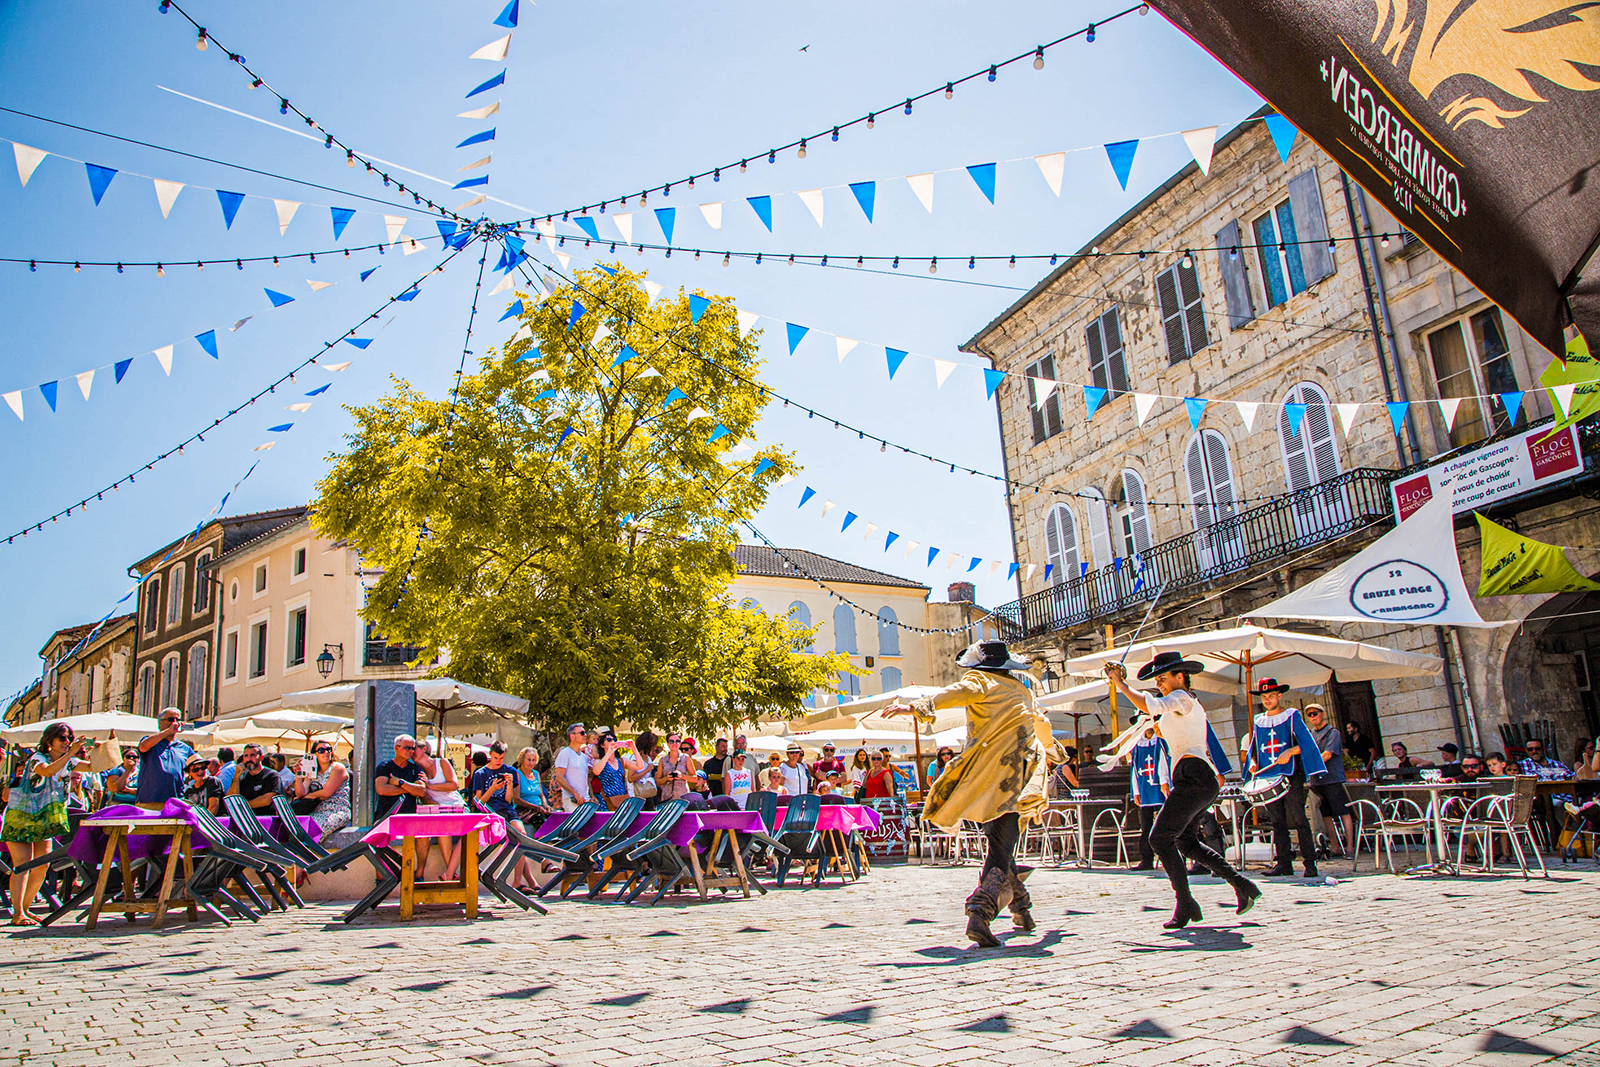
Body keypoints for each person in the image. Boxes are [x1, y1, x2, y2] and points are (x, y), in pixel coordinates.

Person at [885, 640, 1057, 947]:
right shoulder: (1022, 691)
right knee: (1002, 845)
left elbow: (957, 693)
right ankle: (997, 910)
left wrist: (918, 706)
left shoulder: (980, 680)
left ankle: (991, 909)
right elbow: (1040, 724)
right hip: (1018, 775)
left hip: (990, 777)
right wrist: (1056, 753)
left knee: (1001, 844)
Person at [1105, 653, 1259, 928]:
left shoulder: (1182, 698)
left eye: (1162, 678)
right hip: (1195, 778)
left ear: (1180, 676)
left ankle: (1185, 903)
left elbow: (1149, 704)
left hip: (1195, 776)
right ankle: (1242, 884)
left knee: (1159, 838)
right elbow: (1161, 726)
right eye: (1158, 680)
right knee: (1185, 842)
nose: (1160, 684)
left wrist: (1120, 683)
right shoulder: (1181, 706)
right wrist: (1148, 728)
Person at [3, 722, 93, 925]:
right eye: (62, 738)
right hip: (22, 817)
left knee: (42, 866)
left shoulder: (68, 762)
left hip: (44, 820)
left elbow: (95, 767)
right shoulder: (38, 758)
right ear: (49, 741)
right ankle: (17, 914)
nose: (67, 742)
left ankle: (24, 910)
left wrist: (105, 747)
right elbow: (47, 771)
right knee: (22, 866)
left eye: (69, 738)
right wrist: (71, 753)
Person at [1243, 680, 1326, 878]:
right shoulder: (1258, 720)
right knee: (1277, 821)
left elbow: (1307, 743)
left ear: (1279, 695)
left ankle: (1310, 863)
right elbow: (1254, 748)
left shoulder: (1291, 716)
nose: (1267, 700)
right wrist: (1253, 762)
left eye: (1271, 696)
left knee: (1299, 818)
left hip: (1290, 774)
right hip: (1268, 775)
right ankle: (1284, 864)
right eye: (1264, 697)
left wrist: (1290, 751)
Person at [1301, 704, 1355, 858]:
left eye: (1315, 713)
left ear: (1322, 714)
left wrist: (1310, 764)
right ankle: (1335, 846)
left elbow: (1328, 754)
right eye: (1310, 714)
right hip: (1317, 781)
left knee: (1343, 811)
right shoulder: (1310, 734)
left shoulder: (1333, 732)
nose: (1313, 717)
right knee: (1325, 813)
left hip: (1333, 778)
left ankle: (1350, 847)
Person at [1124, 722, 1170, 871]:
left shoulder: (1161, 739)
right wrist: (1135, 791)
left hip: (1161, 788)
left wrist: (1164, 781)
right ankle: (1146, 859)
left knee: (1167, 825)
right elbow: (1135, 768)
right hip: (1145, 789)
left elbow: (1164, 760)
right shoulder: (1138, 744)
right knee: (1145, 827)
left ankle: (1171, 858)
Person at [135, 707, 193, 808]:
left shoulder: (184, 748)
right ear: (160, 723)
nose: (175, 723)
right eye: (170, 720)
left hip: (175, 802)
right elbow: (143, 747)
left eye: (178, 720)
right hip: (150, 801)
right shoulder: (151, 741)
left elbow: (197, 764)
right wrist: (168, 731)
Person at [292, 741, 351, 835]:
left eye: (328, 749)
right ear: (314, 754)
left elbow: (326, 793)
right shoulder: (313, 770)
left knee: (314, 831)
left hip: (336, 810)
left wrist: (306, 796)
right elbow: (300, 793)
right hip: (316, 811)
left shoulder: (337, 767)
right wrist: (298, 775)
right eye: (321, 750)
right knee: (296, 831)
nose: (326, 752)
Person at [373, 735, 430, 821]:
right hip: (385, 816)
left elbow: (421, 791)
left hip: (409, 817)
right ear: (396, 748)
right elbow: (382, 790)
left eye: (412, 748)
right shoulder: (384, 766)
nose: (411, 751)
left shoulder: (415, 768)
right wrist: (411, 789)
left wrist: (401, 783)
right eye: (407, 748)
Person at [594, 733, 644, 810]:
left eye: (614, 740)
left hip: (622, 800)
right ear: (602, 745)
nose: (612, 741)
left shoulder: (621, 761)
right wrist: (608, 753)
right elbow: (596, 771)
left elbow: (640, 766)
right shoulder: (599, 761)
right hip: (606, 801)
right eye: (609, 740)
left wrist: (634, 749)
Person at [227, 744, 283, 811]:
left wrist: (242, 805)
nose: (249, 759)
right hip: (246, 817)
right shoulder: (242, 776)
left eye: (252, 755)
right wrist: (236, 777)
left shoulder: (271, 775)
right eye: (246, 756)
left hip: (265, 818)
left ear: (261, 757)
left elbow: (266, 800)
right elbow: (231, 799)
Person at [553, 723, 593, 811]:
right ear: (572, 736)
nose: (585, 735)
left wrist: (591, 796)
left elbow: (585, 779)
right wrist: (575, 793)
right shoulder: (565, 753)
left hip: (585, 800)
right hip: (571, 800)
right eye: (582, 733)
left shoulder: (584, 757)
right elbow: (559, 777)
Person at [654, 732, 696, 805]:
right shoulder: (663, 760)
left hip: (682, 796)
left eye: (677, 741)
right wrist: (666, 778)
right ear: (667, 743)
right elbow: (657, 782)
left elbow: (695, 778)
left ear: (680, 743)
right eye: (671, 741)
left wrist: (682, 776)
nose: (674, 743)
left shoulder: (685, 758)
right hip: (667, 797)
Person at [512, 747, 551, 819]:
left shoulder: (536, 774)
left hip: (539, 807)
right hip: (525, 809)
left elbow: (541, 795)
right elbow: (516, 799)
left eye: (533, 760)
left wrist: (546, 805)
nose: (531, 763)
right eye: (528, 760)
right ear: (522, 760)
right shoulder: (517, 774)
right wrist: (535, 807)